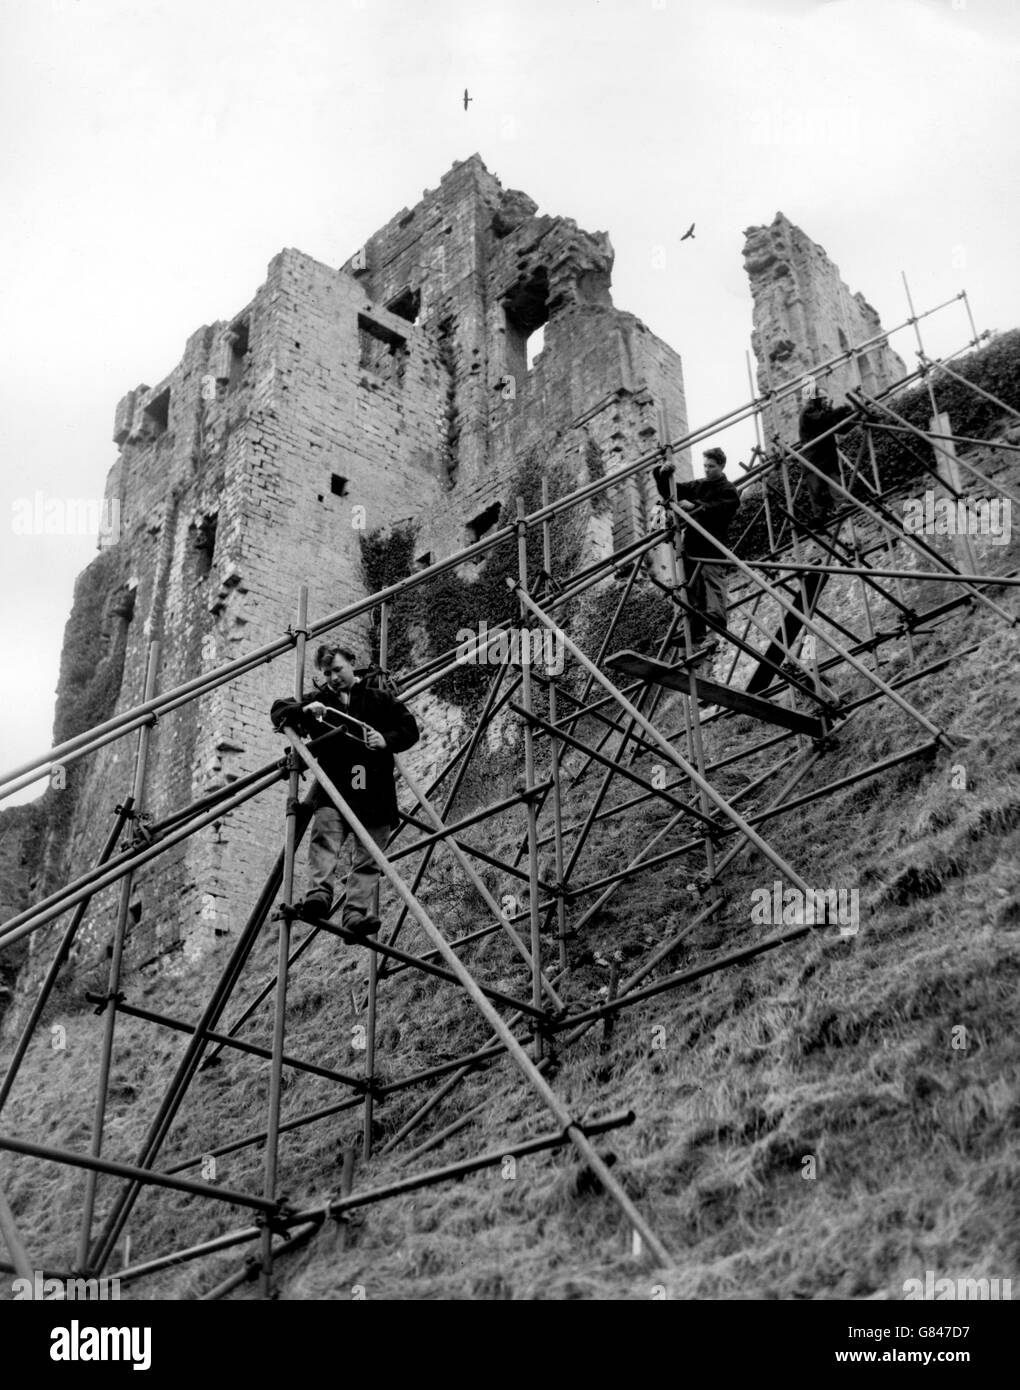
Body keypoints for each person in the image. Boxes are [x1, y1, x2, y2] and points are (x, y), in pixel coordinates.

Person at [271, 644, 419, 933]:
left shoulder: (380, 699)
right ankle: (319, 895)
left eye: (338, 669)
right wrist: (304, 708)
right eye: (327, 673)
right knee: (324, 838)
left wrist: (385, 740)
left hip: (374, 788)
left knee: (369, 857)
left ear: (352, 663)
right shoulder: (320, 701)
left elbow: (409, 729)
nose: (334, 677)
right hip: (336, 787)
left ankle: (354, 914)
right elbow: (278, 710)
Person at [652, 447, 740, 664]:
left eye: (711, 466)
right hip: (692, 546)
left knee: (713, 585)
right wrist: (662, 473)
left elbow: (725, 507)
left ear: (721, 467)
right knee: (692, 588)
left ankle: (714, 630)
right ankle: (694, 630)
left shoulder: (728, 490)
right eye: (705, 466)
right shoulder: (699, 485)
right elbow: (672, 492)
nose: (707, 470)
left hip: (712, 544)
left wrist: (697, 506)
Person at [797, 390, 855, 526]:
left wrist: (852, 417)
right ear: (816, 399)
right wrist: (838, 411)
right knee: (816, 489)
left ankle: (840, 505)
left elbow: (840, 428)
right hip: (812, 458)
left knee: (835, 482)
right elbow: (821, 420)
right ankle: (819, 516)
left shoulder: (825, 413)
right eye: (823, 398)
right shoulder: (808, 411)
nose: (825, 401)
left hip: (827, 456)